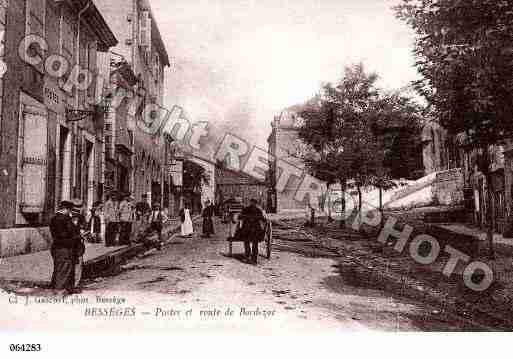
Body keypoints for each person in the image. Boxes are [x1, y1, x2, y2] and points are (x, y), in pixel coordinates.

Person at [49, 201, 81, 294]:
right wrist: (78, 236)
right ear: (66, 209)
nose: (70, 212)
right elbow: (63, 235)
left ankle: (65, 289)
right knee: (63, 268)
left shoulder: (57, 218)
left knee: (64, 268)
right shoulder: (61, 219)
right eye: (70, 210)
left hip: (61, 247)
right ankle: (59, 290)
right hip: (63, 247)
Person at [240, 198, 266, 264]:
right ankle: (254, 258)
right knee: (254, 244)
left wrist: (245, 217)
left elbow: (240, 217)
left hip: (248, 229)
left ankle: (248, 256)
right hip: (255, 230)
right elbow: (263, 219)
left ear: (251, 202)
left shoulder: (246, 209)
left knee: (247, 242)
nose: (252, 204)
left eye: (252, 203)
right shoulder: (258, 210)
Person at [70, 200, 86, 291]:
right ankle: (75, 284)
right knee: (77, 264)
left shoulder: (69, 216)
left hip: (72, 245)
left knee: (74, 264)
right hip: (75, 244)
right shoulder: (79, 217)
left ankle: (73, 284)